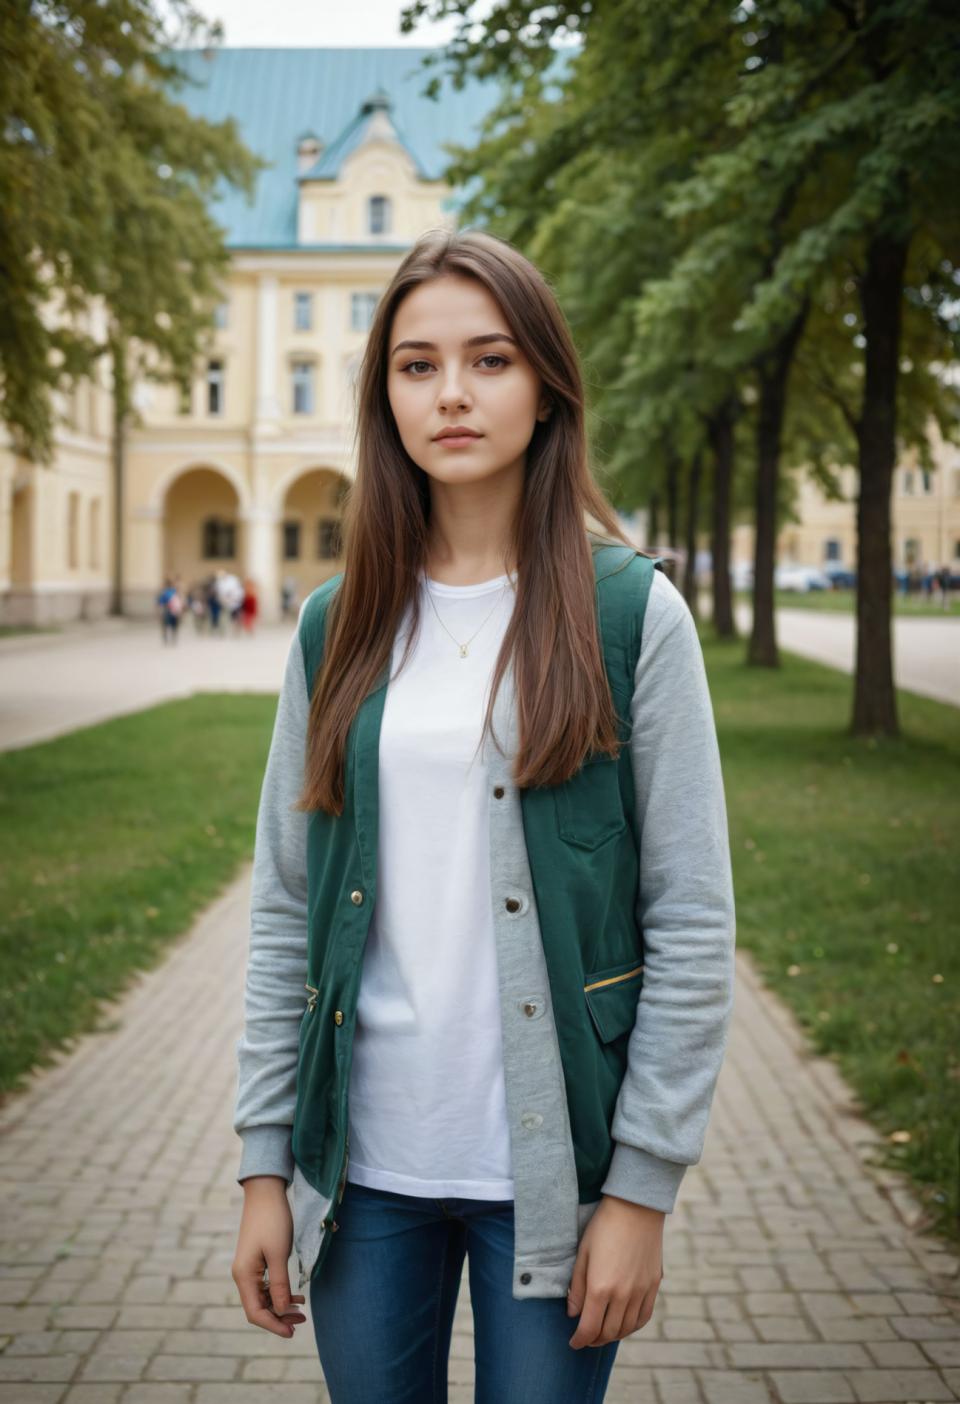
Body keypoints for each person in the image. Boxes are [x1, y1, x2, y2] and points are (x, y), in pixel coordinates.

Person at [230, 229, 736, 1403]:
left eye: (489, 359)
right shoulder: (337, 623)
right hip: (365, 1174)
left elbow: (693, 920)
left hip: (556, 1174)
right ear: (385, 397)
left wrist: (642, 1190)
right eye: (416, 366)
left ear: (546, 385)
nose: (451, 393)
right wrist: (265, 1168)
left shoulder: (632, 615)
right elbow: (284, 905)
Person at [155, 574, 182, 645]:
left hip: (166, 610)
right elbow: (179, 601)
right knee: (174, 625)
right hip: (174, 611)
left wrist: (158, 612)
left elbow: (159, 603)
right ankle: (174, 638)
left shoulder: (163, 592)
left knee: (165, 625)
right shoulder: (175, 591)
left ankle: (166, 639)